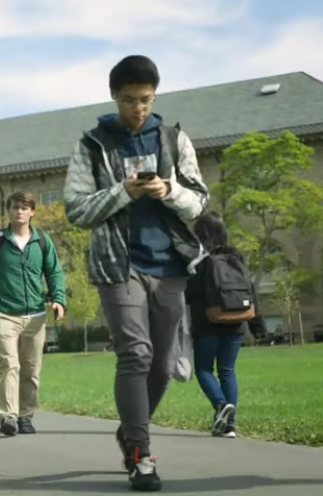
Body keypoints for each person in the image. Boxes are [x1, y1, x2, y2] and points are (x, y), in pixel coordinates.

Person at [62, 55, 209, 491]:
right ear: (114, 96)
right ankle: (141, 454)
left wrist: (168, 190)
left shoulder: (174, 139)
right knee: (136, 354)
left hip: (170, 266)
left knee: (162, 366)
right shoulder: (93, 144)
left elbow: (201, 201)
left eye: (145, 100)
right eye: (129, 100)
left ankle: (131, 429)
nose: (138, 109)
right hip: (118, 264)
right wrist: (123, 191)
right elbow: (76, 209)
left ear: (155, 96)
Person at [0, 191, 67, 437]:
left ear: (32, 212)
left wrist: (59, 300)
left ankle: (25, 415)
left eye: (24, 208)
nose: (19, 212)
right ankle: (8, 416)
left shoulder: (42, 241)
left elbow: (54, 273)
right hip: (5, 314)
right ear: (8, 212)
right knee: (8, 364)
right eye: (14, 208)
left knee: (31, 370)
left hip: (35, 315)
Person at [186, 212, 266, 439]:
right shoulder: (236, 258)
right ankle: (229, 425)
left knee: (203, 369)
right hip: (236, 323)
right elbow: (251, 293)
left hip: (207, 324)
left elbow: (189, 293)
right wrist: (257, 325)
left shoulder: (201, 261)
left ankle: (221, 405)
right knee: (227, 370)